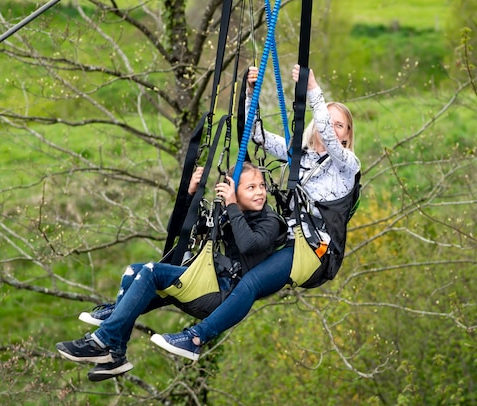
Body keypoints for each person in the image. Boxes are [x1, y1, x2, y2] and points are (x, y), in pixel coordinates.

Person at [150, 64, 361, 361]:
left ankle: (195, 337)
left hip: (314, 251)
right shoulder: (299, 156)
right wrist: (251, 93)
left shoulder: (347, 166)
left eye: (340, 126)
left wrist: (313, 89)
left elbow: (327, 134)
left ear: (345, 136)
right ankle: (134, 306)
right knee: (245, 282)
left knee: (250, 283)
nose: (332, 128)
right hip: (293, 244)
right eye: (330, 122)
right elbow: (258, 135)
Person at [56, 162, 286, 381]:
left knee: (150, 272)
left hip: (222, 297)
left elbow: (250, 244)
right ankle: (115, 354)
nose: (260, 193)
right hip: (209, 284)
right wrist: (191, 194)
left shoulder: (269, 221)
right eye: (251, 187)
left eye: (262, 186)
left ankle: (104, 340)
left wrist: (233, 206)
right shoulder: (225, 215)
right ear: (231, 191)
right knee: (135, 271)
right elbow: (178, 230)